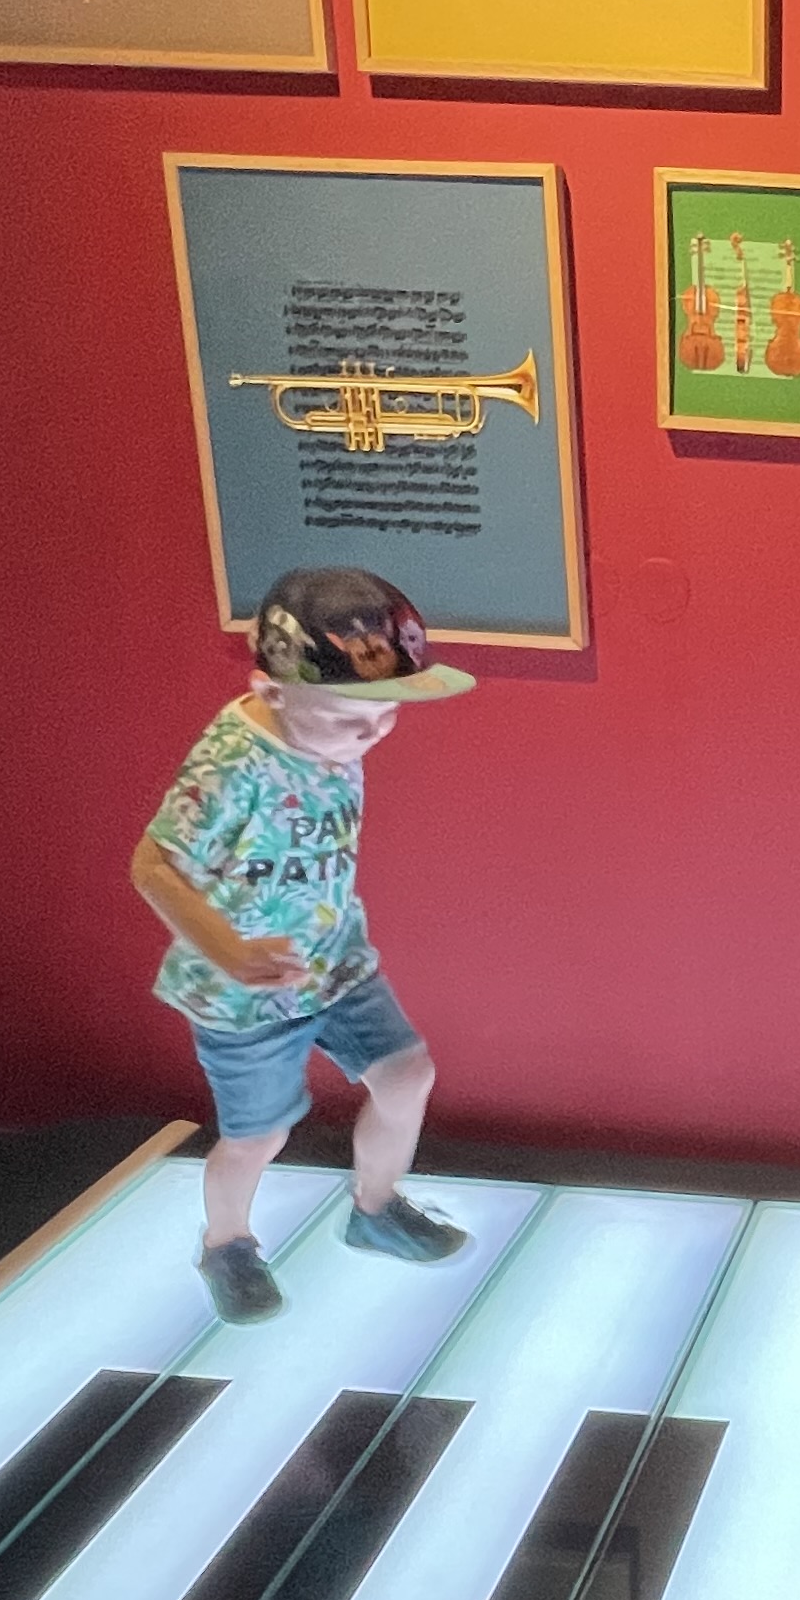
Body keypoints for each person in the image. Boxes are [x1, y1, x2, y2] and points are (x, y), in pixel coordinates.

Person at [130, 565, 475, 1323]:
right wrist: (232, 953)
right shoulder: (233, 765)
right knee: (257, 1135)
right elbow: (154, 866)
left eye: (386, 714)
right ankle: (226, 1245)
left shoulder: (334, 733)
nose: (371, 735)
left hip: (333, 957)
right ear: (274, 692)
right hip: (242, 990)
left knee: (406, 1075)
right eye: (352, 719)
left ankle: (376, 1208)